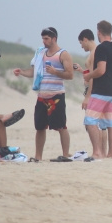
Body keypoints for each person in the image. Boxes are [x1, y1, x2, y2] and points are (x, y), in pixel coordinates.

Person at [12, 26, 74, 162]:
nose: (44, 41)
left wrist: (55, 72)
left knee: (61, 126)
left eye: (46, 39)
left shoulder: (63, 54)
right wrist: (21, 72)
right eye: (43, 39)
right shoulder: (40, 54)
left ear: (54, 39)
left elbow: (70, 75)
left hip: (56, 95)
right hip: (42, 96)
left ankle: (65, 154)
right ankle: (38, 156)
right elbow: (33, 72)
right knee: (40, 127)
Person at [84, 20, 112, 160]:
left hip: (102, 90)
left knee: (90, 120)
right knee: (111, 122)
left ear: (99, 32)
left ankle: (97, 152)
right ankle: (110, 154)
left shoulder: (101, 48)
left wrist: (88, 75)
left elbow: (101, 70)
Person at [77, 29, 107, 157]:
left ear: (85, 39)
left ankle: (98, 152)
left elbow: (94, 77)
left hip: (94, 91)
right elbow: (91, 73)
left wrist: (88, 96)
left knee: (93, 123)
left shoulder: (94, 53)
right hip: (99, 90)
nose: (81, 46)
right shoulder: (97, 51)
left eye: (81, 43)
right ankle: (102, 152)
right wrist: (81, 71)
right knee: (101, 123)